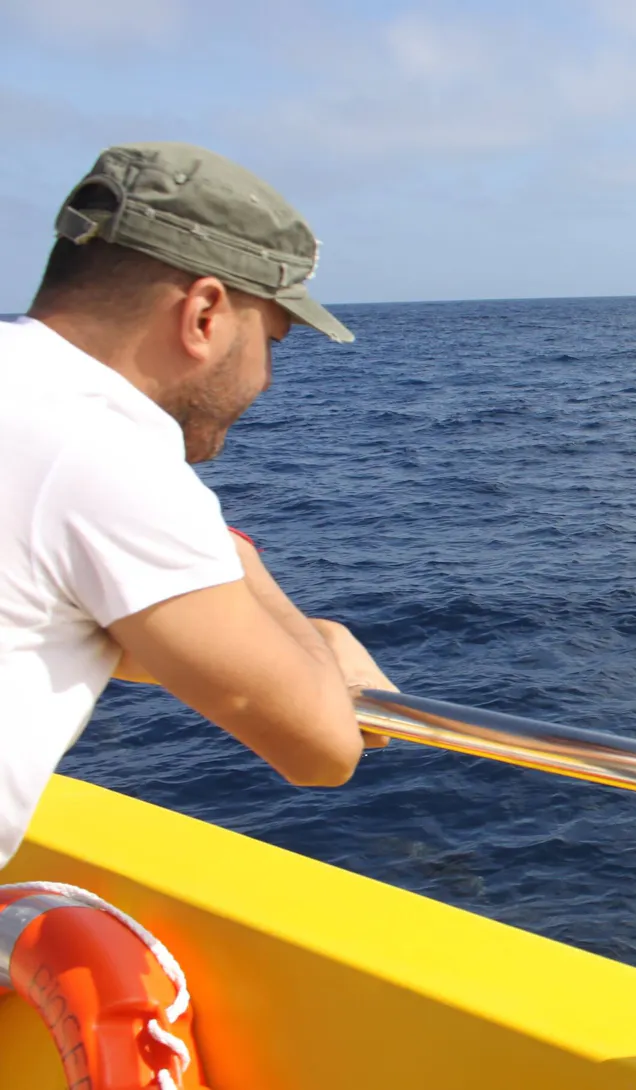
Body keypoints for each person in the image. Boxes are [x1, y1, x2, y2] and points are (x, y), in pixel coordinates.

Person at [0, 142, 394, 871]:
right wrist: (299, 619)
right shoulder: (99, 446)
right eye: (271, 340)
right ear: (206, 314)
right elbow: (322, 749)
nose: (267, 380)